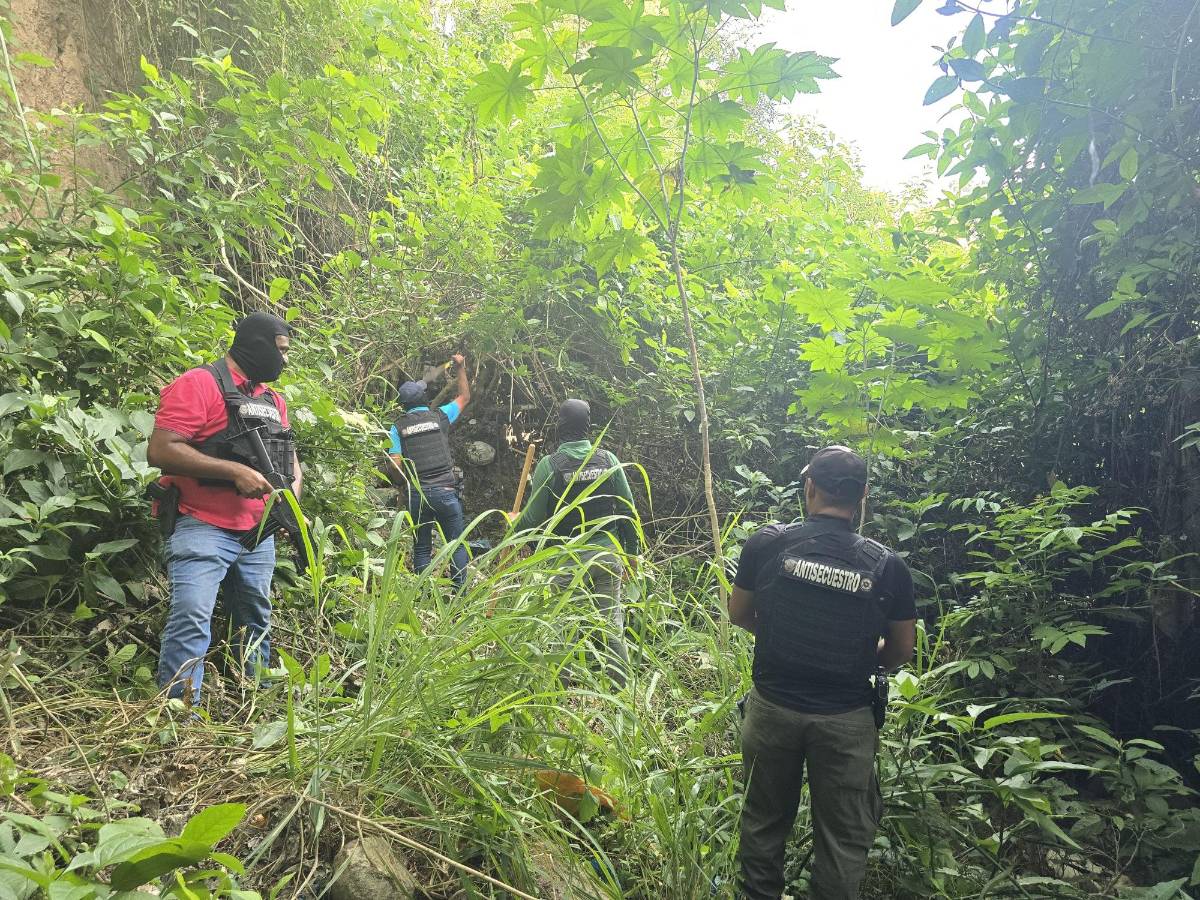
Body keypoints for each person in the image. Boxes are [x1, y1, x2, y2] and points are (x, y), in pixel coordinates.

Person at [728, 445, 916, 900]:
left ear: (808, 487)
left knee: (762, 826)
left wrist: (781, 637)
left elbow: (738, 613)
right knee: (844, 841)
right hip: (847, 721)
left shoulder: (768, 543)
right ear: (863, 496)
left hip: (772, 709)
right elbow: (902, 651)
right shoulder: (888, 566)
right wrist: (855, 652)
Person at [147, 312, 302, 706]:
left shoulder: (271, 399)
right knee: (191, 617)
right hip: (202, 524)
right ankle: (180, 714)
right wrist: (232, 470)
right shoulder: (199, 384)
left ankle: (254, 702)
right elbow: (162, 450)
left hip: (256, 533)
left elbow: (290, 462)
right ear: (257, 346)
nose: (284, 361)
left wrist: (288, 507)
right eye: (281, 351)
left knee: (255, 619)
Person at [510, 399, 640, 687]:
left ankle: (560, 689)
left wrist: (512, 522)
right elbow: (628, 511)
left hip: (565, 560)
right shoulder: (608, 460)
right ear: (588, 426)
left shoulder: (550, 466)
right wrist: (632, 556)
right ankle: (623, 691)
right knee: (611, 624)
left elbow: (532, 518)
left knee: (561, 625)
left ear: (560, 426)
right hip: (606, 557)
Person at [387, 354, 472, 588]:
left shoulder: (397, 428)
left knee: (422, 547)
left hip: (419, 496)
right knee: (456, 544)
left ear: (402, 405)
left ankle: (423, 597)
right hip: (446, 489)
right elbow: (465, 397)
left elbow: (395, 465)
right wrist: (461, 368)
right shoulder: (440, 416)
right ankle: (460, 598)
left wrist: (402, 483)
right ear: (425, 397)